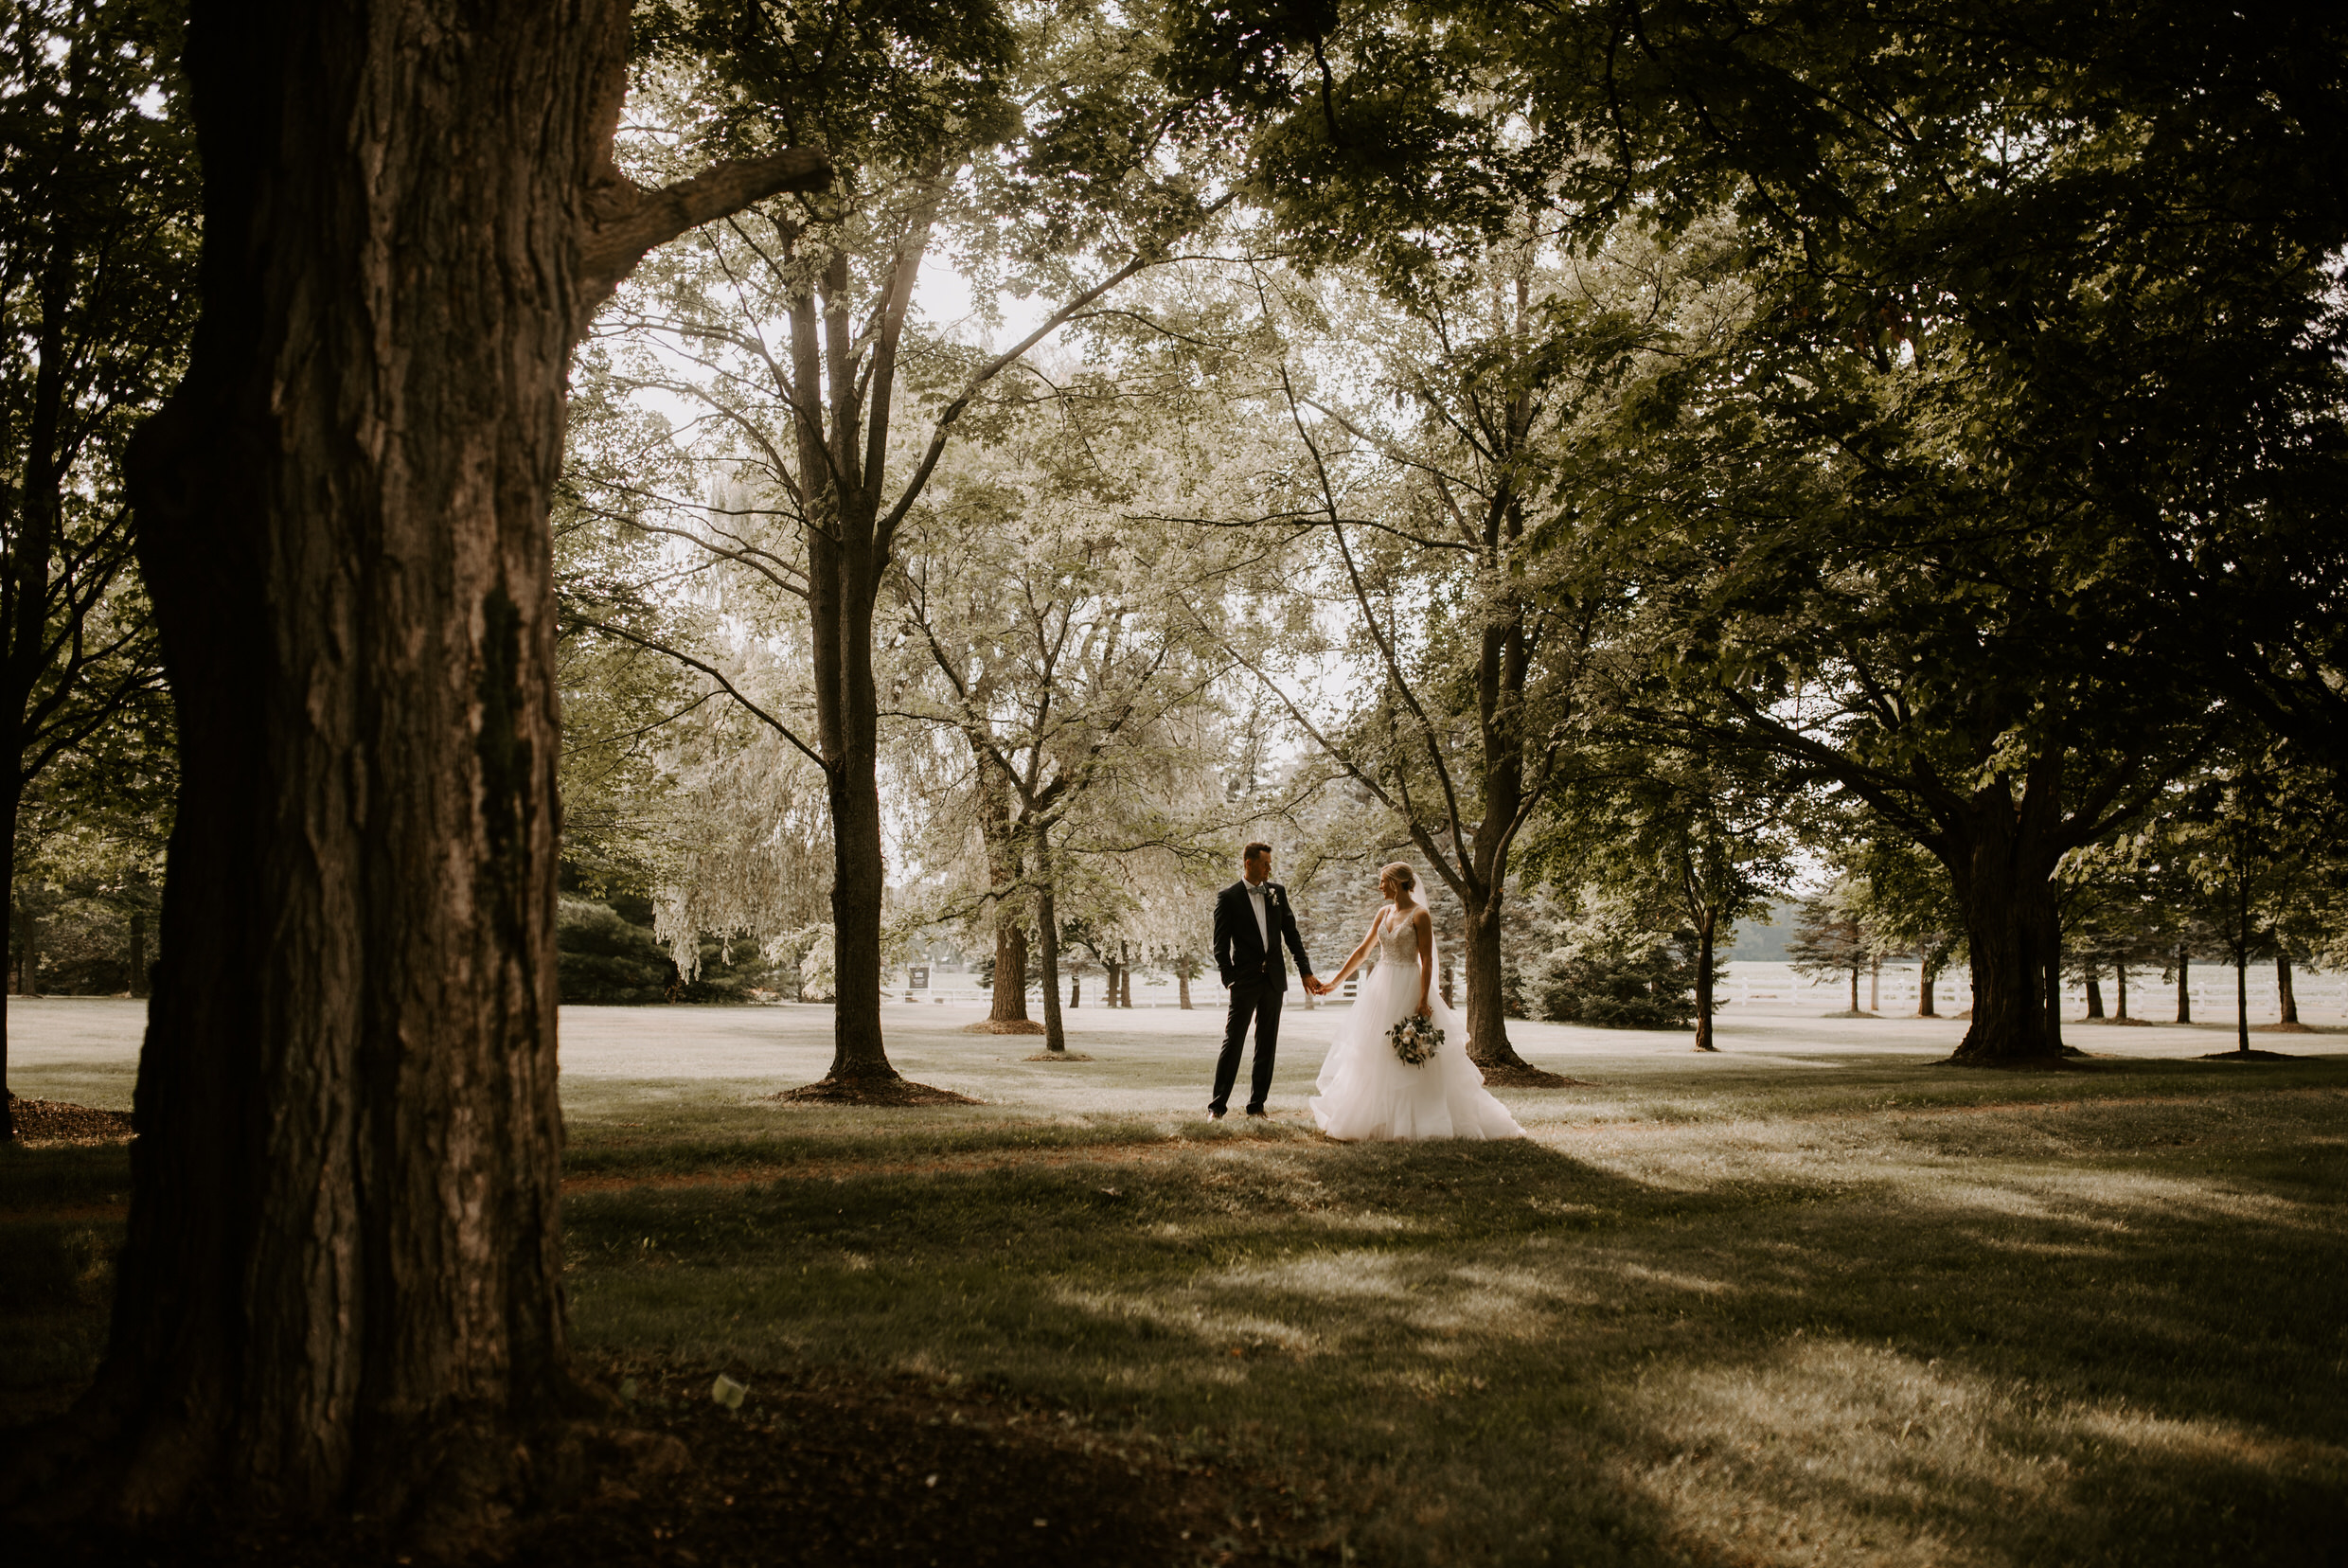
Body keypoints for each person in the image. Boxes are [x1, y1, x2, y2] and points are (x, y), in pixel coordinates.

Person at [1309, 862, 1525, 1141]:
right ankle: (1376, 1120)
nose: (1379, 887)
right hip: (1381, 990)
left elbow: (1427, 959)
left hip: (1409, 986)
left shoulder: (1420, 915)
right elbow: (1363, 951)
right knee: (1373, 1053)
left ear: (1397, 883)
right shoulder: (1384, 912)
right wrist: (1334, 983)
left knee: (1413, 1057)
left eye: (1383, 881)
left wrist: (1423, 1000)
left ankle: (1421, 1122)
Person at [1208, 842, 1317, 1118]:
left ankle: (1257, 1107)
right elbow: (1220, 946)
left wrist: (1304, 970)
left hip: (1274, 981)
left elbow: (1291, 935)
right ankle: (1217, 1107)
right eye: (1265, 863)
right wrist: (1229, 979)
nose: (1270, 867)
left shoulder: (1277, 893)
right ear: (1249, 863)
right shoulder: (1228, 897)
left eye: (1270, 863)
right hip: (1244, 982)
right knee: (1233, 1042)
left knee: (1267, 1044)